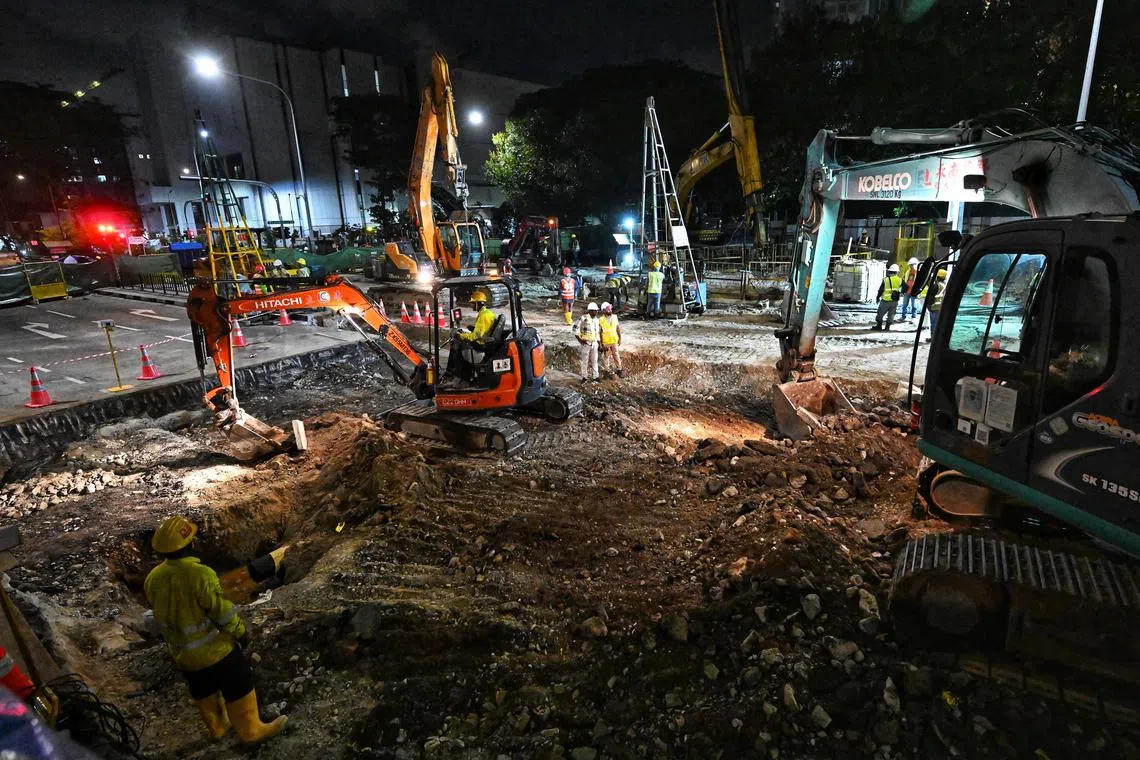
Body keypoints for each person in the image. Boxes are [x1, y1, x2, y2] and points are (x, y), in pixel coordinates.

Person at [144, 516, 287, 745]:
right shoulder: (200, 574)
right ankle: (252, 731)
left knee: (204, 691)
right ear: (188, 545)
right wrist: (240, 631)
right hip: (216, 652)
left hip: (185, 657)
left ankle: (219, 730)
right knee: (238, 682)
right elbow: (222, 612)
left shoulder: (152, 579)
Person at [452, 291, 497, 380]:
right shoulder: (486, 313)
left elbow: (475, 337)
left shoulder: (483, 317)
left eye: (473, 303)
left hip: (481, 343)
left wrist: (460, 336)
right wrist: (473, 329)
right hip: (485, 340)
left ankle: (462, 376)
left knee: (457, 349)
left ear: (478, 303)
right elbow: (481, 331)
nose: (471, 305)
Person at [873, 263, 904, 331]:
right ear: (897, 272)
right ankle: (887, 328)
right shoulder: (900, 280)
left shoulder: (885, 280)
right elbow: (906, 287)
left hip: (885, 300)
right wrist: (900, 292)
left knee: (880, 313)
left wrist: (877, 297)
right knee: (891, 314)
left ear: (889, 271)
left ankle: (879, 326)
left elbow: (881, 290)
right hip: (895, 301)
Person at [575, 302, 601, 382]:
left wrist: (599, 342)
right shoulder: (583, 318)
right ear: (590, 311)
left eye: (596, 311)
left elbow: (597, 332)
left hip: (594, 343)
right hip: (586, 343)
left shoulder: (597, 320)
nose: (596, 312)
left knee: (594, 360)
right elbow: (575, 328)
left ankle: (595, 376)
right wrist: (580, 340)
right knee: (585, 361)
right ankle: (584, 377)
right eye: (594, 311)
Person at [598, 302, 623, 378]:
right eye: (608, 309)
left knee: (616, 355)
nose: (610, 311)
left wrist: (620, 338)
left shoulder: (615, 317)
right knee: (606, 356)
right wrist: (601, 343)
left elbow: (617, 328)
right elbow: (600, 332)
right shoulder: (600, 319)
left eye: (610, 309)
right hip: (606, 342)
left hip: (614, 340)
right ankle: (607, 370)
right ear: (604, 310)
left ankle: (619, 369)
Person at [925, 269, 947, 342]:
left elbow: (931, 297)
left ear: (937, 276)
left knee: (933, 324)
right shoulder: (945, 285)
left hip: (934, 307)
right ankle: (938, 338)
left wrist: (929, 306)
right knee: (939, 324)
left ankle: (933, 339)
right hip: (941, 307)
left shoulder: (936, 285)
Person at [900, 257, 921, 321]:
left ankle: (913, 317)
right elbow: (904, 281)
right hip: (907, 291)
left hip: (914, 292)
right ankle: (903, 316)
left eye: (912, 264)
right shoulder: (908, 272)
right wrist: (902, 291)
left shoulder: (919, 273)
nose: (911, 266)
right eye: (910, 265)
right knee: (904, 305)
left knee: (914, 305)